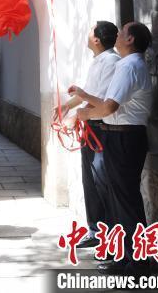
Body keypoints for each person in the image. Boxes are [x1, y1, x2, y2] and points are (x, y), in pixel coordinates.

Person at [74, 22, 152, 275]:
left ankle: (137, 265)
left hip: (125, 138)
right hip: (122, 136)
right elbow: (109, 104)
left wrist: (88, 113)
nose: (117, 35)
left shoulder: (128, 65)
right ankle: (126, 259)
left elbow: (109, 108)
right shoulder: (129, 64)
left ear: (130, 39)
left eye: (122, 32)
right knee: (120, 200)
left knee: (126, 202)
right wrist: (86, 107)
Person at [55, 21, 119, 248]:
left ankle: (108, 233)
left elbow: (100, 99)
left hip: (100, 128)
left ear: (97, 39)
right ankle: (95, 230)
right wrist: (65, 107)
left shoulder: (111, 62)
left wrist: (77, 116)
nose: (87, 34)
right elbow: (87, 93)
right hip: (90, 127)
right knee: (90, 181)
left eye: (91, 31)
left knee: (101, 182)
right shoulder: (98, 62)